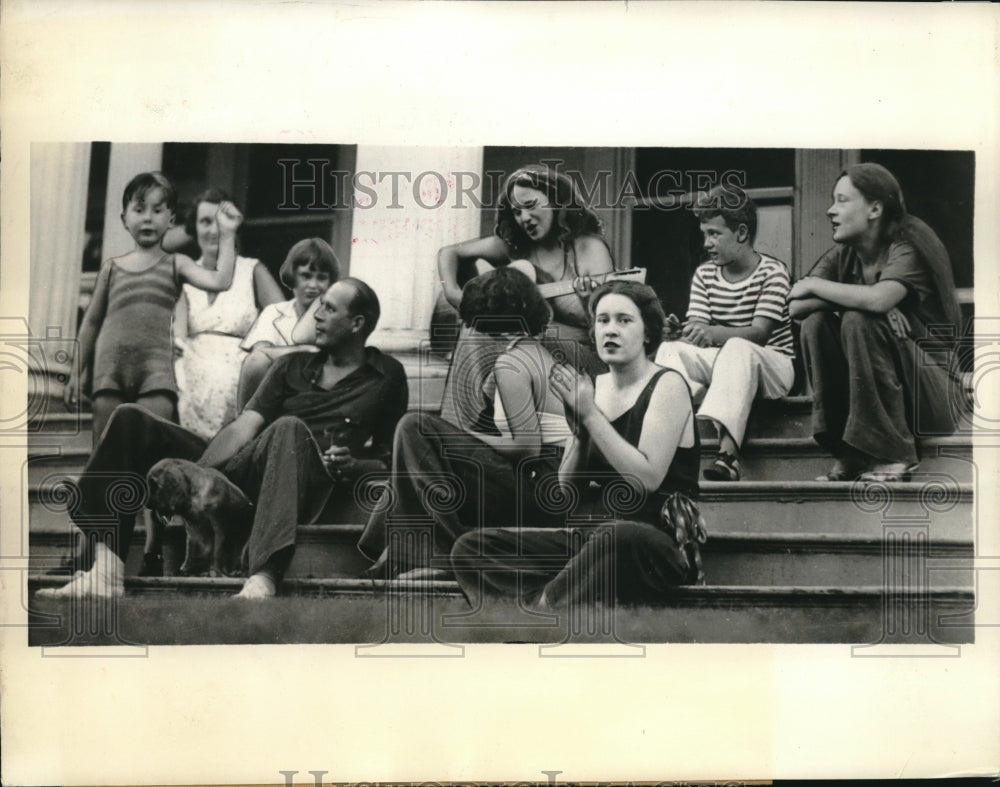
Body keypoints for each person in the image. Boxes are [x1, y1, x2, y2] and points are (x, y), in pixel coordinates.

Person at [37, 278, 408, 600]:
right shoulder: (291, 365)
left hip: (306, 482)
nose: (317, 315)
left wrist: (355, 465)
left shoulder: (386, 376)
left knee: (289, 427)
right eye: (319, 305)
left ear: (357, 323)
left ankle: (264, 576)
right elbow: (244, 426)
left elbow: (391, 457)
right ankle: (106, 572)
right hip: (252, 468)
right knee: (130, 419)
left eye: (329, 308)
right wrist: (197, 474)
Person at [450, 281, 707, 608]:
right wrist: (581, 435)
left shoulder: (667, 384)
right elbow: (567, 492)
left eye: (624, 320)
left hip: (652, 541)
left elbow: (646, 479)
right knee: (472, 547)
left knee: (618, 536)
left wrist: (590, 416)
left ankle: (544, 608)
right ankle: (551, 602)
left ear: (647, 332)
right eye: (602, 320)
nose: (610, 330)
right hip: (591, 538)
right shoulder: (593, 387)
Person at [358, 264, 572, 579]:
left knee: (414, 427)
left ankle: (442, 555)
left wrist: (470, 436)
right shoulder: (530, 353)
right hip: (545, 483)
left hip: (541, 484)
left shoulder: (512, 363)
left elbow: (527, 447)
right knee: (418, 455)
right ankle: (394, 555)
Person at [788, 162, 964, 482]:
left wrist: (864, 300)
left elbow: (877, 300)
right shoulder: (844, 253)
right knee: (816, 322)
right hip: (890, 392)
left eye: (842, 201)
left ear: (875, 209)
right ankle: (850, 452)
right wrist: (867, 300)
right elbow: (797, 307)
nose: (830, 210)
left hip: (935, 395)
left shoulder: (909, 245)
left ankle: (894, 454)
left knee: (859, 319)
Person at [64, 172, 243, 443]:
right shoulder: (111, 268)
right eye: (139, 210)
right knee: (106, 452)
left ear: (171, 220)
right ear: (124, 219)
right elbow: (91, 322)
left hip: (156, 374)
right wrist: (75, 372)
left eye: (157, 210)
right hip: (109, 372)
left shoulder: (176, 263)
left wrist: (227, 234)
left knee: (150, 450)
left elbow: (220, 281)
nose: (148, 218)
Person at [437, 165, 615, 428]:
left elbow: (609, 328)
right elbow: (448, 252)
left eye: (530, 205)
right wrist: (454, 293)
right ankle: (463, 426)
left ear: (556, 201)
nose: (524, 218)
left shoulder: (587, 248)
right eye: (517, 212)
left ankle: (464, 427)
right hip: (529, 349)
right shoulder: (515, 248)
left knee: (496, 329)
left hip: (582, 362)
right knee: (480, 327)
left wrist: (588, 301)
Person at [654, 184, 794, 481]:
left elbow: (760, 334)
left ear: (741, 233)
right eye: (704, 234)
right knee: (670, 350)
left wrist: (711, 333)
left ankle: (728, 456)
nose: (706, 243)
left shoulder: (773, 272)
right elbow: (700, 330)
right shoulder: (705, 274)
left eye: (714, 234)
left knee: (737, 347)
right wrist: (679, 333)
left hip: (774, 367)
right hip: (726, 365)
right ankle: (663, 441)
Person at [172, 189, 284, 442]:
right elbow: (178, 334)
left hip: (241, 374)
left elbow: (284, 320)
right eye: (205, 221)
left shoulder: (251, 270)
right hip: (192, 373)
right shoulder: (186, 276)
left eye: (220, 222)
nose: (214, 230)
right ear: (193, 228)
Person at [236, 237, 341, 409]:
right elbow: (258, 355)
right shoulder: (275, 312)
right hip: (275, 398)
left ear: (330, 283)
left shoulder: (336, 316)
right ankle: (245, 419)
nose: (313, 285)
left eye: (321, 278)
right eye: (306, 276)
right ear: (293, 276)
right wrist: (304, 350)